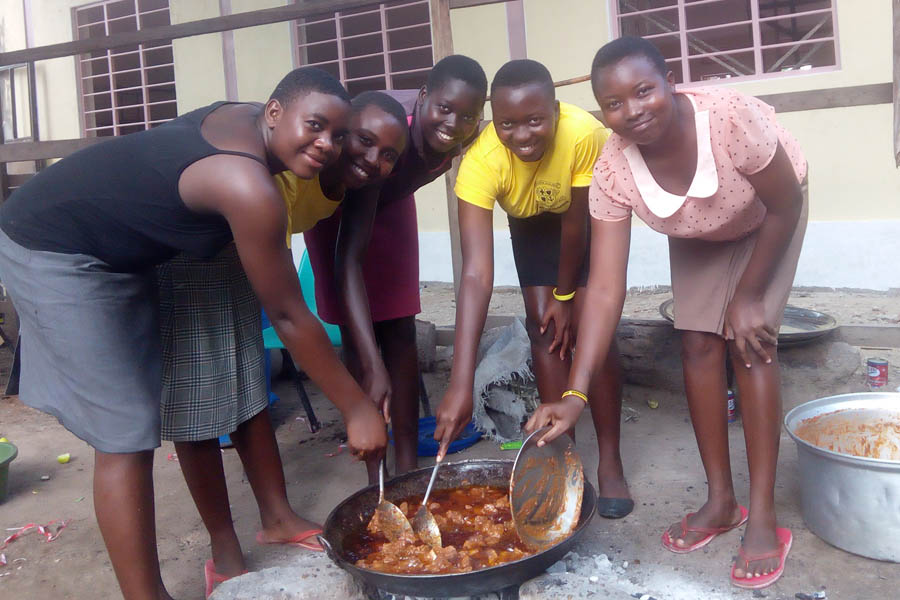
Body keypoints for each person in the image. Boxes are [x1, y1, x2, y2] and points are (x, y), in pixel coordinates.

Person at [0, 67, 388, 600]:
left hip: (119, 248)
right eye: (316, 126)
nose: (327, 145)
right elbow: (289, 315)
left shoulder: (245, 119)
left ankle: (260, 523)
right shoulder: (246, 185)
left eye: (338, 135)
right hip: (55, 248)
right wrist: (358, 408)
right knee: (125, 432)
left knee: (149, 402)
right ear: (274, 112)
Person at [525, 37, 808, 589]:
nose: (631, 112)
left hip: (770, 213)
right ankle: (721, 502)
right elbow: (604, 289)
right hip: (700, 227)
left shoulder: (729, 121)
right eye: (613, 103)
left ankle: (765, 519)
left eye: (643, 91)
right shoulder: (612, 170)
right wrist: (575, 393)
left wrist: (749, 297)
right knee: (697, 343)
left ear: (669, 81)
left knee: (749, 344)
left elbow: (786, 203)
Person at [157, 91, 409, 597]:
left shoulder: (358, 178)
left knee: (248, 378)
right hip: (189, 244)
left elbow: (347, 263)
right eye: (357, 141)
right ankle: (224, 547)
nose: (369, 160)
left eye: (388, 154)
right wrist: (356, 406)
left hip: (244, 246)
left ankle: (276, 516)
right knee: (198, 400)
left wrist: (373, 364)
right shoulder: (292, 163)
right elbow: (291, 314)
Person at [434, 59, 633, 518]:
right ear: (493, 120)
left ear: (556, 111)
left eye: (535, 120)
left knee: (591, 333)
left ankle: (611, 462)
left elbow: (577, 222)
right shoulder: (481, 160)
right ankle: (567, 457)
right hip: (528, 222)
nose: (522, 134)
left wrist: (566, 297)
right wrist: (460, 382)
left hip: (583, 217)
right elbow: (475, 275)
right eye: (507, 123)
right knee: (544, 331)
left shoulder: (583, 134)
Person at [303, 54, 488, 483]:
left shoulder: (464, 136)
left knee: (401, 328)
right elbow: (348, 256)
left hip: (391, 207)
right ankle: (376, 474)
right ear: (423, 98)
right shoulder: (385, 143)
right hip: (344, 207)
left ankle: (408, 467)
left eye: (467, 116)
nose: (452, 123)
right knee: (360, 339)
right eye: (443, 108)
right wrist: (372, 362)